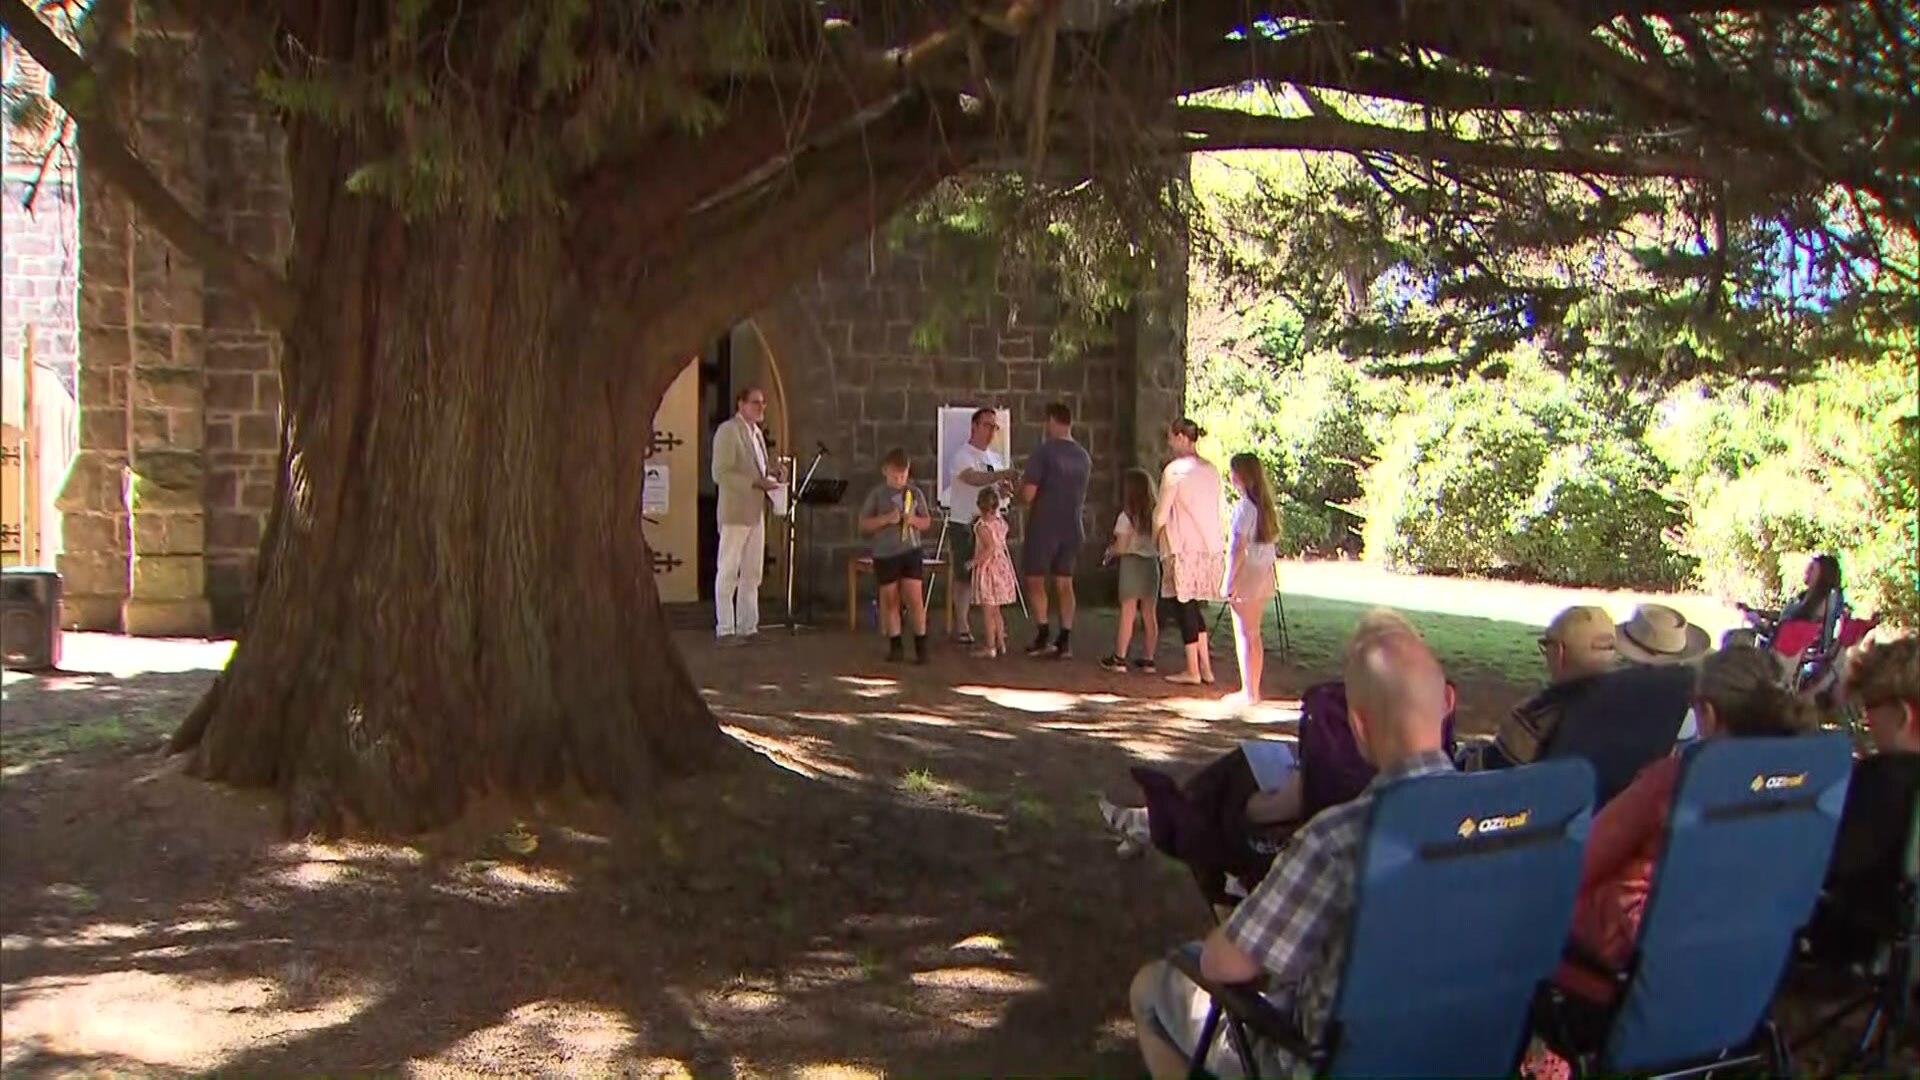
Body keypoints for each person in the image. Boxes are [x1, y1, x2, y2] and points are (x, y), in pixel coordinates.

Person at [1129, 611, 1457, 1079]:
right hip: (1458, 1055)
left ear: (1358, 727)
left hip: (1322, 1062)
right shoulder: (1513, 826)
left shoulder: (1337, 838)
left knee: (1153, 986)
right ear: (1447, 702)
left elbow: (1224, 963)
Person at [1555, 644, 1817, 1003]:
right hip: (1735, 967)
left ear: (1706, 714)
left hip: (1626, 971)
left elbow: (1578, 864)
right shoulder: (1802, 786)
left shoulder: (1677, 783)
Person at [1803, 636, 1920, 964]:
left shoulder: (1885, 779)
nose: (1869, 722)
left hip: (1863, 941)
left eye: (1871, 710)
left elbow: (1833, 865)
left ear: (1901, 716)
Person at [1155, 418, 1225, 686]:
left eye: (1172, 438)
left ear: (1182, 437)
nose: (1170, 444)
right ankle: (1205, 667)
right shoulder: (1211, 470)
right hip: (1208, 548)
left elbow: (1161, 514)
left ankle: (1193, 669)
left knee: (1184, 606)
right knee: (1193, 607)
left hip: (1182, 546)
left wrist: (1154, 535)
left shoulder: (1175, 471)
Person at [1020, 401, 1092, 659]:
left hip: (1044, 524)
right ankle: (1065, 637)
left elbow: (1029, 494)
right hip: (1072, 525)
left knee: (1036, 579)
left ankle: (1042, 631)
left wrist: (1015, 490)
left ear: (1051, 421)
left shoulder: (1045, 452)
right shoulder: (1083, 456)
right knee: (1065, 582)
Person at [711, 386, 780, 643]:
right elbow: (721, 473)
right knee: (728, 570)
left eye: (763, 403)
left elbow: (757, 470)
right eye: (755, 403)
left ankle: (748, 626)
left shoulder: (757, 434)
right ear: (741, 405)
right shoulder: (728, 432)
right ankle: (725, 628)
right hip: (735, 511)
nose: (761, 407)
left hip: (755, 511)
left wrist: (772, 475)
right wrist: (755, 482)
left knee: (752, 572)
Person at [946, 407, 1021, 645]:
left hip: (989, 525)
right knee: (964, 573)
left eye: (994, 427)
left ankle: (994, 626)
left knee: (991, 575)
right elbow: (972, 478)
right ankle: (962, 624)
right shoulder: (962, 455)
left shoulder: (995, 458)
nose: (991, 431)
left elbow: (994, 492)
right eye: (987, 425)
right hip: (965, 522)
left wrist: (1004, 490)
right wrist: (1000, 476)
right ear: (974, 426)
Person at [857, 448, 935, 664]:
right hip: (885, 553)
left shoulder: (914, 493)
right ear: (885, 471)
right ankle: (895, 645)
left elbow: (927, 522)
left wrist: (913, 521)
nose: (899, 480)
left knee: (915, 599)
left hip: (910, 551)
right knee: (891, 600)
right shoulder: (877, 494)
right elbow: (863, 524)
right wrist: (886, 519)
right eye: (895, 475)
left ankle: (921, 645)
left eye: (903, 475)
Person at [1222, 453, 1281, 705]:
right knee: (1253, 634)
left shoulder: (1245, 508)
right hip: (1264, 572)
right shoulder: (1264, 508)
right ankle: (1252, 689)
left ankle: (1249, 691)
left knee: (1244, 633)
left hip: (1248, 573)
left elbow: (1238, 548)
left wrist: (1229, 579)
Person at [1101, 467, 1161, 674]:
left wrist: (1110, 552)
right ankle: (1149, 658)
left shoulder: (1126, 518)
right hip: (1152, 564)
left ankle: (1119, 656)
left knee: (1128, 613)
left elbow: (1122, 546)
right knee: (1149, 613)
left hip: (1132, 565)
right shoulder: (1155, 516)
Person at [968, 487, 1018, 658]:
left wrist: (973, 562)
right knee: (996, 611)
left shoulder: (982, 526)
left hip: (989, 570)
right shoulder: (1000, 523)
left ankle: (990, 646)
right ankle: (1001, 643)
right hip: (1001, 567)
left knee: (988, 611)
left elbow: (989, 548)